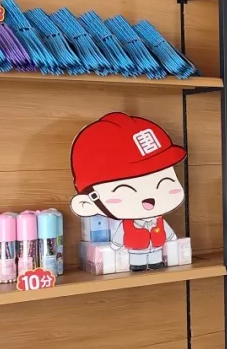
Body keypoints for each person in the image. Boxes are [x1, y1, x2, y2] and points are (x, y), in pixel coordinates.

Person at [69, 112, 186, 271]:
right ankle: (138, 264)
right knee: (138, 259)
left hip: (156, 248)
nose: (149, 200)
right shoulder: (127, 224)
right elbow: (120, 236)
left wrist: (172, 238)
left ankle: (154, 262)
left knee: (155, 257)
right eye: (127, 190)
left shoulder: (158, 219)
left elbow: (168, 232)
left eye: (164, 182)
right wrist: (116, 245)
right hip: (136, 249)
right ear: (86, 203)